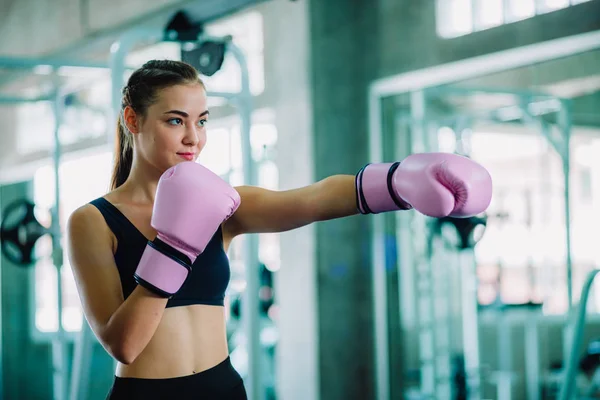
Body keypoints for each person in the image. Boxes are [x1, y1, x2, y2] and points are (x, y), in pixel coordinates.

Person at [66, 59, 493, 400]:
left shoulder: (223, 204)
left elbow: (311, 200)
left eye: (202, 120)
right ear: (133, 119)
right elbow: (123, 344)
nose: (193, 137)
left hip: (224, 388)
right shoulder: (92, 221)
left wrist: (397, 181)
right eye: (175, 121)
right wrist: (174, 246)